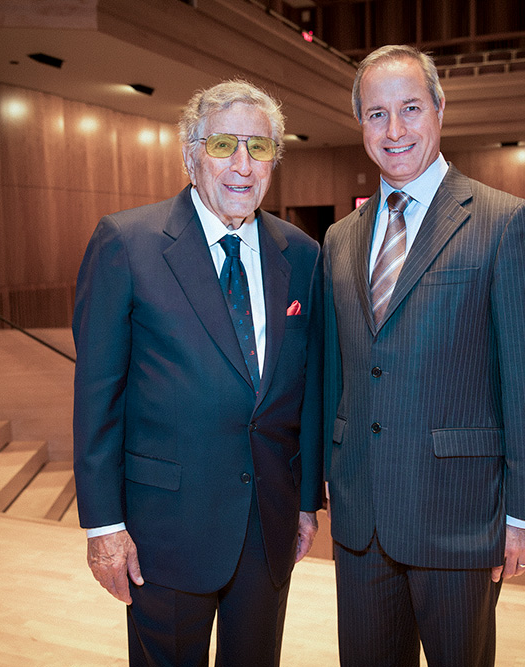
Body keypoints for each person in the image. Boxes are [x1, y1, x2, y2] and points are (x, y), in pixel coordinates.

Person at [322, 45, 525, 666]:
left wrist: (524, 515)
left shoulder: (503, 222)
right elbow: (337, 375)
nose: (394, 130)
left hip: (460, 515)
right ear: (360, 124)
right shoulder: (340, 238)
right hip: (362, 519)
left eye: (409, 109)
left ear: (440, 109)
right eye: (376, 114)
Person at [72, 79, 323, 667]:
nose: (243, 165)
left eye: (259, 148)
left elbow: (305, 392)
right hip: (165, 531)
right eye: (223, 146)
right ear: (190, 155)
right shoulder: (126, 243)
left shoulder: (302, 255)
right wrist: (103, 526)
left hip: (267, 528)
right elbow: (97, 396)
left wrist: (307, 501)